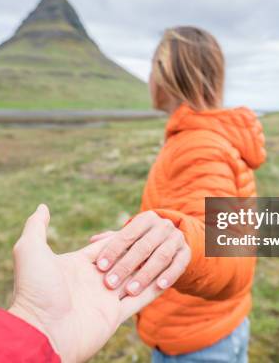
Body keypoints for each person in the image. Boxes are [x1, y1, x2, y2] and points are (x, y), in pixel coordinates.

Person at [92, 26, 266, 362]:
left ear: (166, 75)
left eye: (153, 68)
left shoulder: (198, 146)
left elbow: (229, 253)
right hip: (211, 326)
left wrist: (175, 242)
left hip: (196, 342)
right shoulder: (201, 139)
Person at [0, 204, 189, 363]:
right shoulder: (186, 135)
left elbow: (227, 243)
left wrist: (182, 246)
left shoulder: (207, 142)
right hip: (168, 332)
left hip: (199, 341)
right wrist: (37, 323)